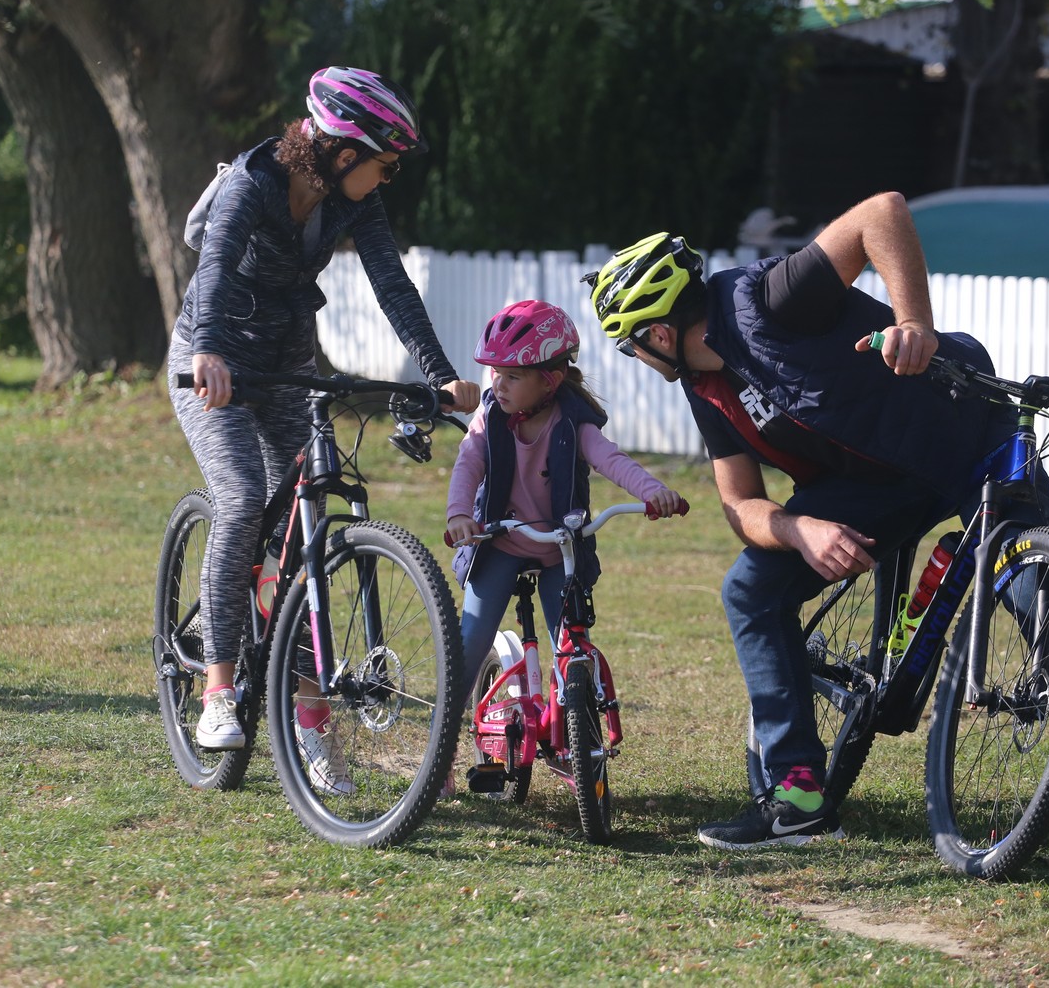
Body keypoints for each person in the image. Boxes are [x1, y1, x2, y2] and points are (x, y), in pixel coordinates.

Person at [581, 192, 1049, 856]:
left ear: (657, 334)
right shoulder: (706, 390)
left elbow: (882, 212)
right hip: (876, 487)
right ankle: (796, 796)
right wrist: (799, 530)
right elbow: (739, 502)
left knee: (1043, 601)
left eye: (631, 348)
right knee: (751, 590)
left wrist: (915, 324)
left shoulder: (771, 298)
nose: (639, 360)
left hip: (971, 440)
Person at [169, 66, 479, 789]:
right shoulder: (253, 182)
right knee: (242, 499)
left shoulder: (351, 201)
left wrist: (439, 374)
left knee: (304, 537)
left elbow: (392, 285)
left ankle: (309, 714)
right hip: (211, 362)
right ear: (343, 152)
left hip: (286, 363)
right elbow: (215, 264)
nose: (388, 178)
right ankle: (217, 690)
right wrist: (207, 349)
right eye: (385, 164)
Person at [445, 300, 684, 794]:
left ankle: (578, 745)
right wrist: (460, 515)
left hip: (560, 548)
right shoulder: (489, 417)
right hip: (500, 543)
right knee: (468, 643)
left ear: (549, 381)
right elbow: (468, 464)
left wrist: (653, 491)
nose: (498, 385)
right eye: (495, 373)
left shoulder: (574, 422)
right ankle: (441, 750)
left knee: (572, 649)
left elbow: (612, 460)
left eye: (512, 376)